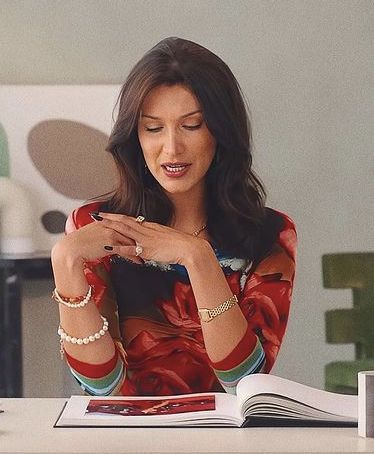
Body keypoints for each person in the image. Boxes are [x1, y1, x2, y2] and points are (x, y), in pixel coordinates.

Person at [51, 37, 297, 397]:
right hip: (121, 442)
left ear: (221, 131)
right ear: (135, 136)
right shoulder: (93, 227)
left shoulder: (270, 236)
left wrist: (196, 256)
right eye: (153, 128)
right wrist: (65, 260)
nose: (171, 148)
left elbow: (244, 380)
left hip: (225, 442)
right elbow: (101, 384)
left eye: (192, 125)